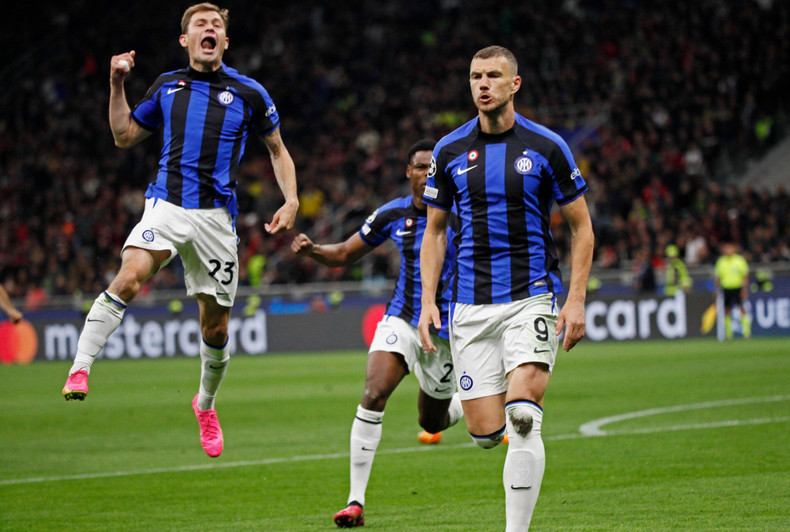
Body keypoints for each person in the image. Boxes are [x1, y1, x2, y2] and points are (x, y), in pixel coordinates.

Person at [61, 2, 299, 458]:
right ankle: (80, 366)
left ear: (225, 42)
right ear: (185, 41)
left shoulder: (250, 92)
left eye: (216, 26)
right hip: (166, 204)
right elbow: (125, 135)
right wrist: (116, 84)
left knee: (216, 329)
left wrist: (291, 199)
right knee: (129, 276)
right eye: (199, 26)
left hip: (215, 220)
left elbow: (278, 150)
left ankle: (205, 405)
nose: (208, 30)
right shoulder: (168, 85)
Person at [418, 46, 594, 531]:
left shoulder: (546, 146)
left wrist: (575, 299)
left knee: (522, 417)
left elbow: (582, 228)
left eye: (493, 75)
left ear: (514, 84)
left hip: (530, 296)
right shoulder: (448, 150)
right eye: (476, 76)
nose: (483, 84)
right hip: (469, 304)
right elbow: (434, 232)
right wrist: (428, 299)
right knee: (485, 433)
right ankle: (460, 404)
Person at [291, 139, 464, 528]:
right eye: (419, 167)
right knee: (373, 393)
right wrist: (312, 249)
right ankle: (355, 501)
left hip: (446, 332)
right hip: (401, 319)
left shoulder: (463, 214)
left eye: (431, 168)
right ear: (408, 172)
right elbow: (345, 253)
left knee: (431, 422)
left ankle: (468, 406)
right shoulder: (392, 214)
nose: (425, 174)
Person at [714, 241, 751, 340]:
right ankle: (728, 333)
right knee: (726, 310)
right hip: (726, 288)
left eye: (730, 248)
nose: (728, 250)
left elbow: (745, 276)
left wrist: (744, 290)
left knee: (741, 307)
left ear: (734, 249)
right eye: (726, 248)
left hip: (737, 287)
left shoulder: (739, 260)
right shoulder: (721, 261)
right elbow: (718, 277)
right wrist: (717, 290)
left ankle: (746, 331)